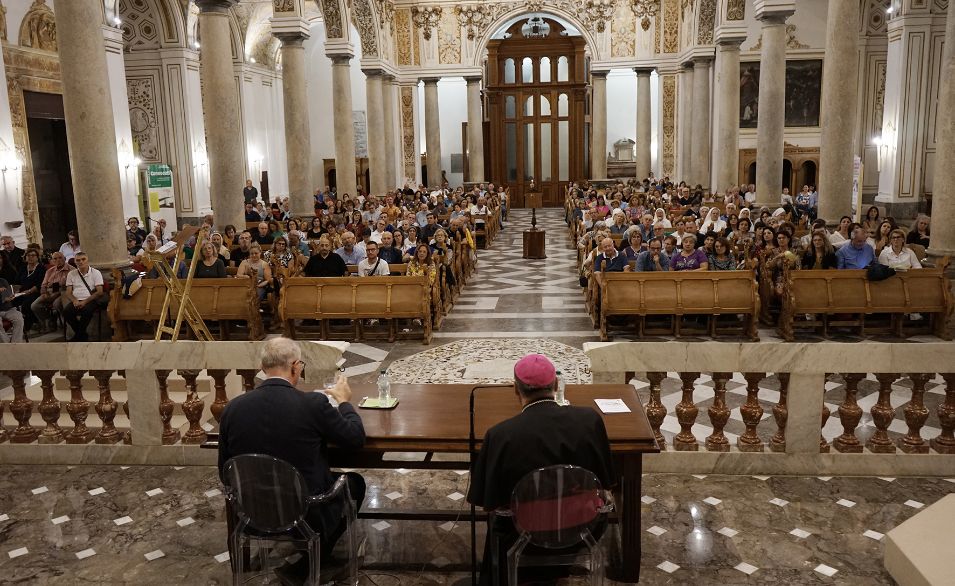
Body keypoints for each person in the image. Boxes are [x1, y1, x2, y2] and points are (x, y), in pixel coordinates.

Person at [217, 337, 365, 585]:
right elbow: (355, 438)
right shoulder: (313, 404)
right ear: (296, 366)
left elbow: (225, 472)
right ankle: (310, 563)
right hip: (306, 513)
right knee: (356, 483)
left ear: (264, 368)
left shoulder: (233, 408)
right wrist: (344, 402)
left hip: (251, 513)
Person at [468, 354, 614, 586]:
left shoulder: (501, 435)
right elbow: (606, 482)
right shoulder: (590, 421)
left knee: (499, 518)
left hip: (523, 535)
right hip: (583, 529)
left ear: (516, 390)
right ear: (556, 386)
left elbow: (488, 501)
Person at [63, 252, 104, 341]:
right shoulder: (71, 274)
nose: (81, 262)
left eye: (83, 259)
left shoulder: (96, 273)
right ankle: (82, 335)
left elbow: (100, 292)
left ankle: (79, 336)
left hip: (90, 300)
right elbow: (68, 292)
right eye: (78, 260)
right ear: (75, 262)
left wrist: (84, 302)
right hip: (76, 300)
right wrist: (74, 301)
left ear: (87, 260)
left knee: (86, 311)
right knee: (66, 312)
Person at [32, 251, 71, 331]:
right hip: (49, 293)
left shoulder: (71, 270)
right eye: (55, 259)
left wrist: (56, 288)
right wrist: (43, 292)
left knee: (56, 304)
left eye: (60, 258)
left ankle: (67, 322)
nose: (58, 260)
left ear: (64, 258)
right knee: (34, 306)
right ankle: (50, 320)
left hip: (63, 293)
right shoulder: (49, 271)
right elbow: (43, 285)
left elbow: (68, 287)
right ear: (52, 261)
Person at [14, 248, 45, 331]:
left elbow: (40, 284)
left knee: (26, 305)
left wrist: (29, 291)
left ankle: (30, 324)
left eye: (33, 255)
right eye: (28, 255)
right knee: (12, 301)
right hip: (23, 292)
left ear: (37, 257)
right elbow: (17, 282)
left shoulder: (41, 268)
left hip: (36, 292)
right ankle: (18, 323)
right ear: (25, 257)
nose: (30, 257)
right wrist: (16, 291)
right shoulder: (23, 268)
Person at [0, 273, 24, 343]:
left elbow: (8, 294)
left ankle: (15, 344)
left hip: (8, 309)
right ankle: (6, 345)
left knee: (19, 319)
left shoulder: (3, 281)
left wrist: (11, 296)